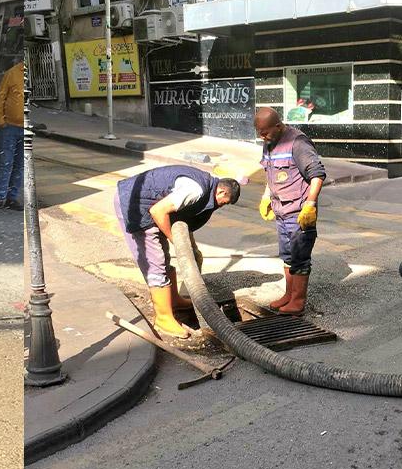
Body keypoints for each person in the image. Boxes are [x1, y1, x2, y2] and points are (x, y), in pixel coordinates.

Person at [115, 165, 241, 338]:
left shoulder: (206, 186)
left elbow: (180, 217)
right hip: (134, 204)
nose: (221, 207)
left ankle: (173, 300)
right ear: (221, 193)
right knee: (155, 262)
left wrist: (192, 247)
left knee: (163, 255)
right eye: (223, 203)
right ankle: (163, 318)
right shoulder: (195, 190)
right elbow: (158, 211)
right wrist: (178, 243)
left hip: (148, 205)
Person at [254, 107, 326, 315]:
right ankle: (289, 294)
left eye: (265, 132)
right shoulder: (268, 142)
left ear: (278, 126)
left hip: (299, 212)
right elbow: (269, 172)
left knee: (300, 256)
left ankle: (298, 301)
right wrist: (267, 195)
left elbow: (317, 175)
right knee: (287, 255)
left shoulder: (298, 143)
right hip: (281, 210)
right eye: (259, 132)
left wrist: (310, 205)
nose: (262, 136)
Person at [0, 59, 25, 211]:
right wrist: (0, 120)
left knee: (20, 165)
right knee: (5, 163)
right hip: (9, 127)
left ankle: (12, 198)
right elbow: (0, 97)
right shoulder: (12, 73)